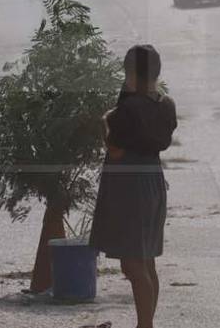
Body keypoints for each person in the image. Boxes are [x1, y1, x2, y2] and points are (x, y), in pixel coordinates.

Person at [89, 45, 178, 328]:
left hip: (130, 187)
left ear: (130, 73)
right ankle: (146, 323)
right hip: (152, 181)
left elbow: (115, 151)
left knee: (132, 264)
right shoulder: (166, 105)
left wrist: (105, 121)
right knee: (147, 261)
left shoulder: (126, 111)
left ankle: (145, 326)